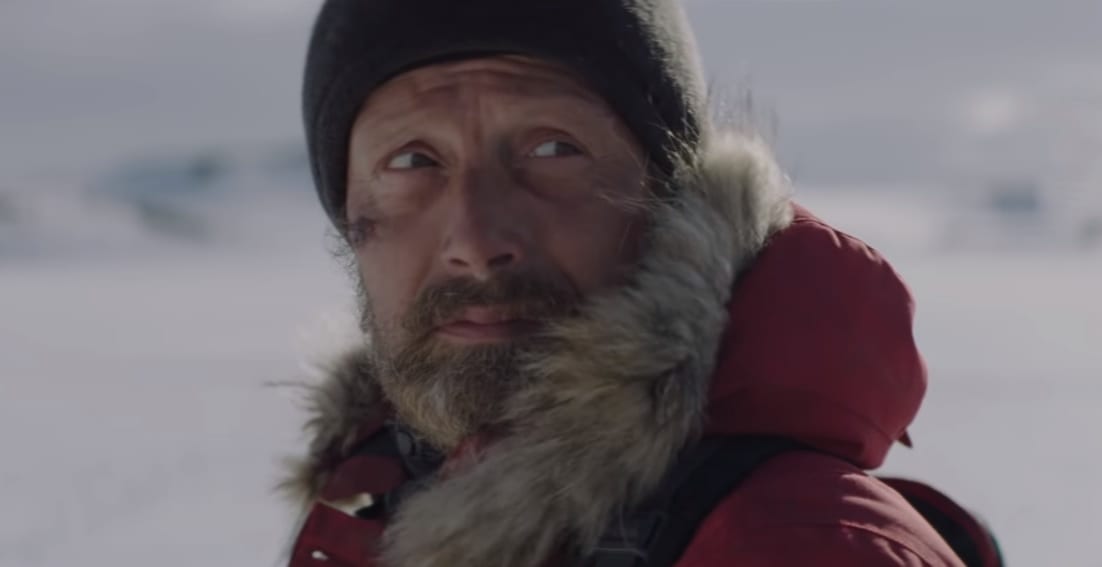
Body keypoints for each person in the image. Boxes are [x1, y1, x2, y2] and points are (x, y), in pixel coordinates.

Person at [282, 1, 965, 565]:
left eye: (553, 149)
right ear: (349, 216)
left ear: (670, 199)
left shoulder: (800, 544)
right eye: (412, 161)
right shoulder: (371, 497)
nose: (476, 243)